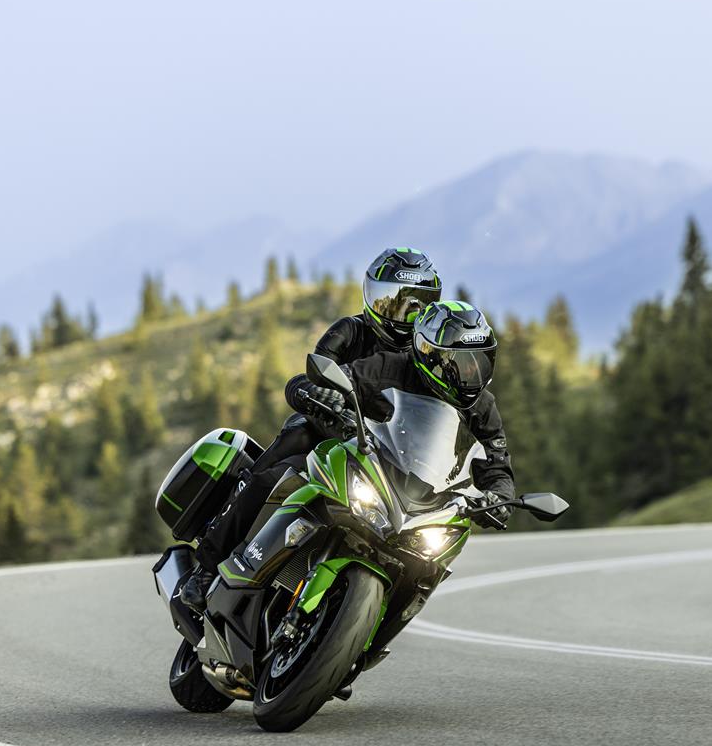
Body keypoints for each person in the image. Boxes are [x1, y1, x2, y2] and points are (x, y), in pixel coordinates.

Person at [178, 247, 443, 611]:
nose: (403, 314)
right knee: (269, 479)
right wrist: (315, 393)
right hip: (323, 436)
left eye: (416, 306)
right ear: (373, 297)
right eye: (393, 302)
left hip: (379, 457)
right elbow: (310, 374)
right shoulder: (350, 331)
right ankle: (206, 569)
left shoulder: (423, 359)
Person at [342, 299, 516, 530]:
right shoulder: (388, 368)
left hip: (431, 509)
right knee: (301, 438)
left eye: (480, 360)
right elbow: (337, 378)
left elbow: (496, 466)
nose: (472, 370)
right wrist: (321, 392)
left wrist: (498, 499)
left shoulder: (481, 405)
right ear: (431, 355)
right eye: (462, 361)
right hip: (369, 480)